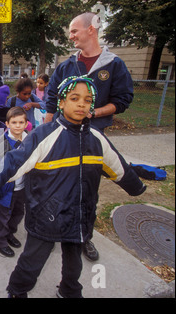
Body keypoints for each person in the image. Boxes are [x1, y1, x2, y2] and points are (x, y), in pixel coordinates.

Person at [0, 75, 146, 298]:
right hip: (46, 216)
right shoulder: (44, 135)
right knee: (31, 263)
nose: (81, 104)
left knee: (73, 264)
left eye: (87, 100)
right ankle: (17, 291)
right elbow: (9, 166)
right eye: (74, 98)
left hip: (80, 214)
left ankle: (69, 290)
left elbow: (120, 168)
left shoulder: (96, 139)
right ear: (61, 102)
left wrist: (137, 188)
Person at [44, 12, 134, 261]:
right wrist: (47, 131)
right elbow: (51, 99)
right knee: (56, 185)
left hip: (92, 137)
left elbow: (123, 99)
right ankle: (52, 231)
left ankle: (84, 236)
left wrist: (93, 113)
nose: (70, 36)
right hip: (63, 136)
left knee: (87, 191)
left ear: (91, 29)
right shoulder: (66, 65)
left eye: (74, 31)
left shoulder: (114, 64)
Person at [0, 106, 28, 257]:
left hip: (22, 187)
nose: (17, 126)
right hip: (5, 188)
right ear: (7, 124)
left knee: (18, 213)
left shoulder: (30, 140)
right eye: (14, 122)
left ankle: (9, 234)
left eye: (21, 122)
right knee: (3, 215)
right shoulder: (1, 143)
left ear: (26, 124)